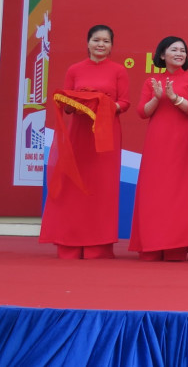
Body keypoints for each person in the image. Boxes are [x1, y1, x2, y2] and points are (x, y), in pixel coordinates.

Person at [40, 24, 130, 259]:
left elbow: (125, 103)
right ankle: (69, 243)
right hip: (79, 134)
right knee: (74, 187)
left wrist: (103, 106)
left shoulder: (118, 71)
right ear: (88, 42)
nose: (101, 45)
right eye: (96, 40)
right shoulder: (75, 69)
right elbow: (67, 104)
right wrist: (75, 104)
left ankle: (98, 245)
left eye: (106, 41)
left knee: (102, 188)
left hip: (106, 136)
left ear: (112, 46)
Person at [129, 36, 188, 261]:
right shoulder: (152, 81)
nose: (179, 53)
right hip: (156, 143)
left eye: (183, 50)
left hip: (180, 144)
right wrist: (157, 98)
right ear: (162, 55)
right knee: (154, 192)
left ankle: (175, 245)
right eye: (174, 50)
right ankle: (152, 244)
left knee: (177, 192)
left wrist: (174, 98)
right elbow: (142, 112)